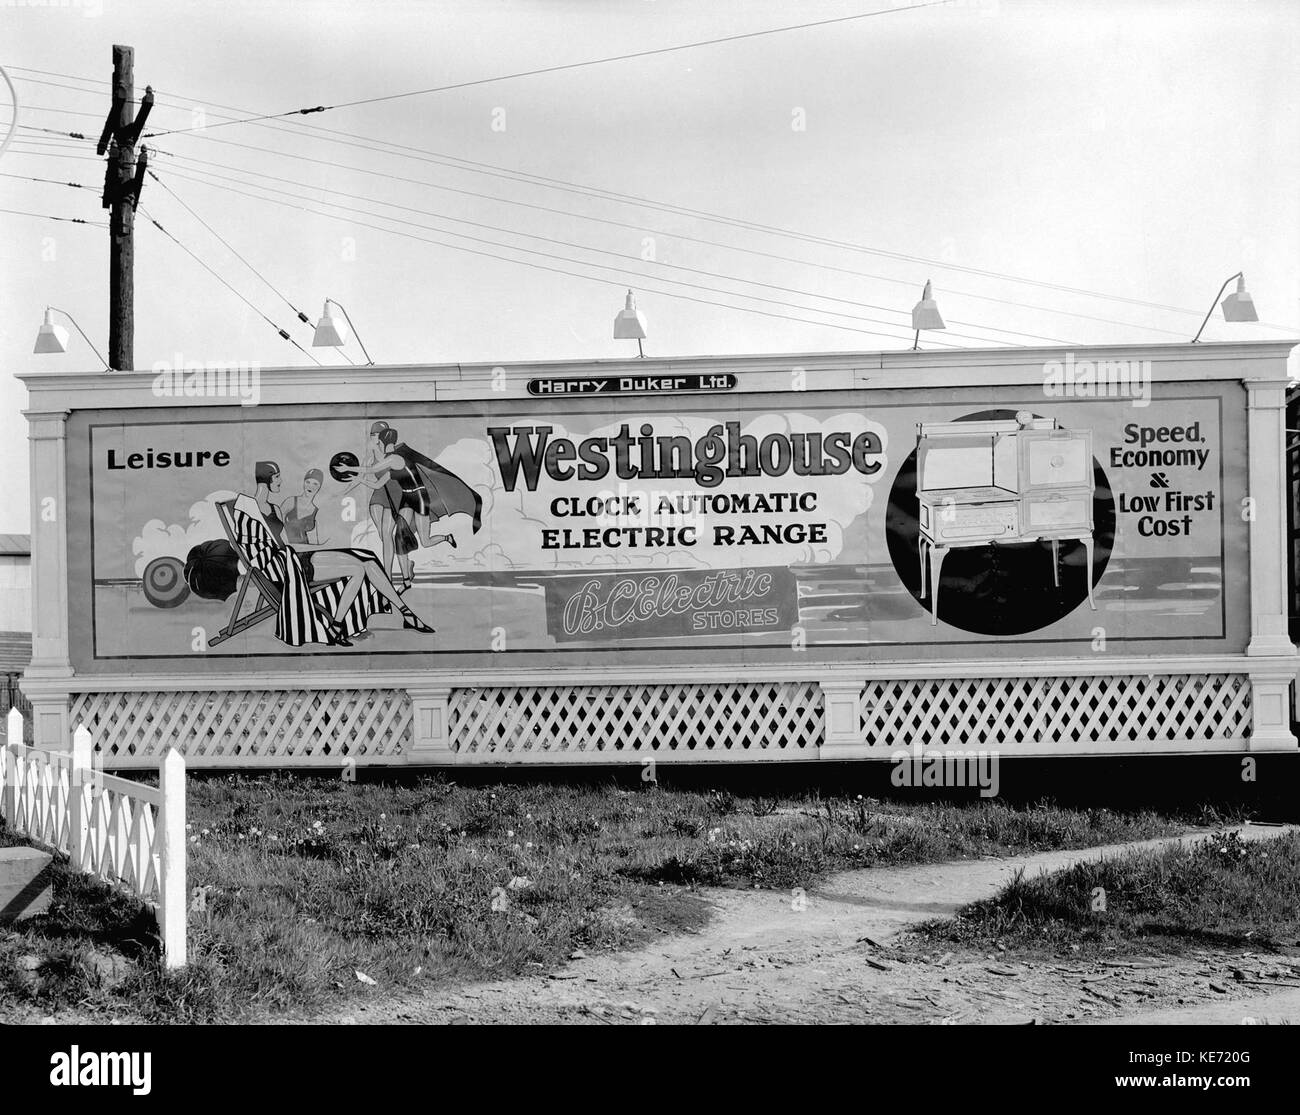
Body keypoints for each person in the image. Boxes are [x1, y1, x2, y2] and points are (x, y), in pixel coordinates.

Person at [210, 461, 438, 648]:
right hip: (287, 566)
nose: (280, 481)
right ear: (269, 478)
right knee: (357, 569)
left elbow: (289, 544)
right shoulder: (248, 510)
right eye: (277, 477)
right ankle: (338, 625)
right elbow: (264, 552)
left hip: (296, 556)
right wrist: (315, 548)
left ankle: (405, 614)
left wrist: (317, 546)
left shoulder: (274, 508)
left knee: (366, 557)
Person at [353, 426, 483, 555]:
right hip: (407, 500)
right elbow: (377, 485)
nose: (379, 446)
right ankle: (405, 570)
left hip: (419, 499)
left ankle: (446, 538)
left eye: (379, 443)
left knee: (425, 542)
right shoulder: (391, 460)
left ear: (383, 443)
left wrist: (349, 468)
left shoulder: (394, 458)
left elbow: (372, 470)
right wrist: (358, 479)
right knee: (400, 534)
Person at [281, 468, 324, 546]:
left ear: (319, 487)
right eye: (308, 482)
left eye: (315, 484)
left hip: (303, 550)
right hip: (284, 547)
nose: (310, 486)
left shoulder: (316, 512)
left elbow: (316, 540)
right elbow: (275, 525)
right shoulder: (290, 501)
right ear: (303, 483)